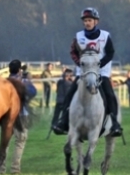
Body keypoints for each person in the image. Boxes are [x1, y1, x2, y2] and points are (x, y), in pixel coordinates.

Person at [52, 7, 123, 137]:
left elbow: (111, 53)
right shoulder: (78, 36)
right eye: (85, 21)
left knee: (109, 94)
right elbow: (73, 51)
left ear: (96, 21)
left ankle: (115, 124)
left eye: (89, 20)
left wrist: (99, 64)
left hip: (101, 71)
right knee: (70, 93)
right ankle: (63, 121)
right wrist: (80, 62)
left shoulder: (105, 36)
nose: (87, 23)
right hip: (83, 72)